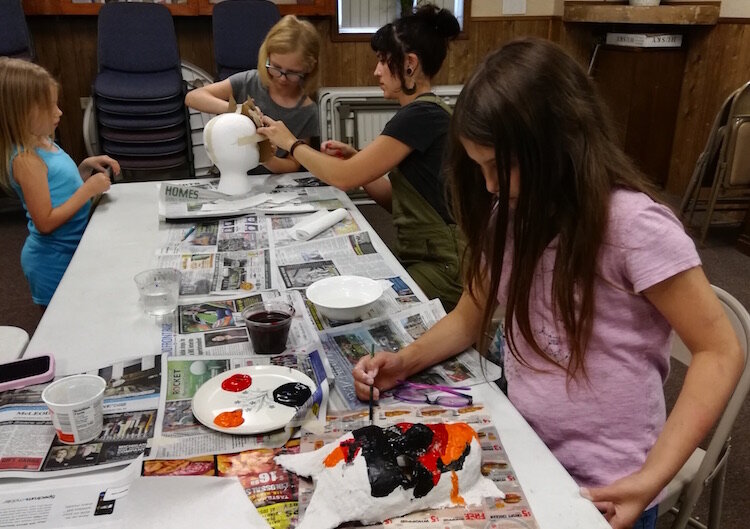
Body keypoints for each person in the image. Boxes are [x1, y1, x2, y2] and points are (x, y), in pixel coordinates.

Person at [351, 38, 744, 529]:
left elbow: (719, 349)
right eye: (480, 168)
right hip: (528, 450)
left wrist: (653, 476)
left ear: (560, 144)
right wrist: (404, 362)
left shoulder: (634, 229)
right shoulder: (510, 215)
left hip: (611, 482)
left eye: (499, 167)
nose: (490, 186)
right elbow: (472, 313)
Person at [258, 4, 463, 311]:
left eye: (383, 61)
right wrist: (358, 162)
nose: (376, 71)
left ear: (409, 64)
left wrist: (291, 143)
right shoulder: (425, 112)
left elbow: (344, 178)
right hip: (430, 258)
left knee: (359, 309)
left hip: (444, 269)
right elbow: (400, 202)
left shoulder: (420, 115)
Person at [0, 58, 119, 307]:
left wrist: (84, 169)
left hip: (73, 248)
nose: (59, 112)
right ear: (21, 112)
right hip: (51, 262)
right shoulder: (26, 160)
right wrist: (87, 191)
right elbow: (45, 222)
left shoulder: (43, 141)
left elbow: (56, 190)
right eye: (49, 107)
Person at [185, 15, 320, 174]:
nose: (282, 78)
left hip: (271, 185)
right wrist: (238, 110)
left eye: (292, 73)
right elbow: (193, 97)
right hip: (231, 174)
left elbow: (292, 165)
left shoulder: (308, 112)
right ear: (267, 57)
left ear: (309, 69)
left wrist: (267, 157)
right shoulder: (249, 81)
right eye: (276, 67)